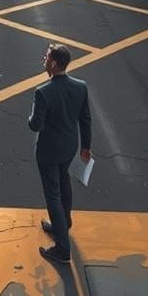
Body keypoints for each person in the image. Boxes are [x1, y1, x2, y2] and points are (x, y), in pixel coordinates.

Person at [29, 43, 92, 265]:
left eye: (46, 57)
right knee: (64, 182)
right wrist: (86, 147)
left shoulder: (43, 92)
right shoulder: (80, 86)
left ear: (53, 64)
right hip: (69, 147)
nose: (44, 60)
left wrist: (31, 116)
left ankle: (62, 248)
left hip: (49, 151)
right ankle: (62, 224)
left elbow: (36, 125)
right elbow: (85, 119)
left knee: (53, 195)